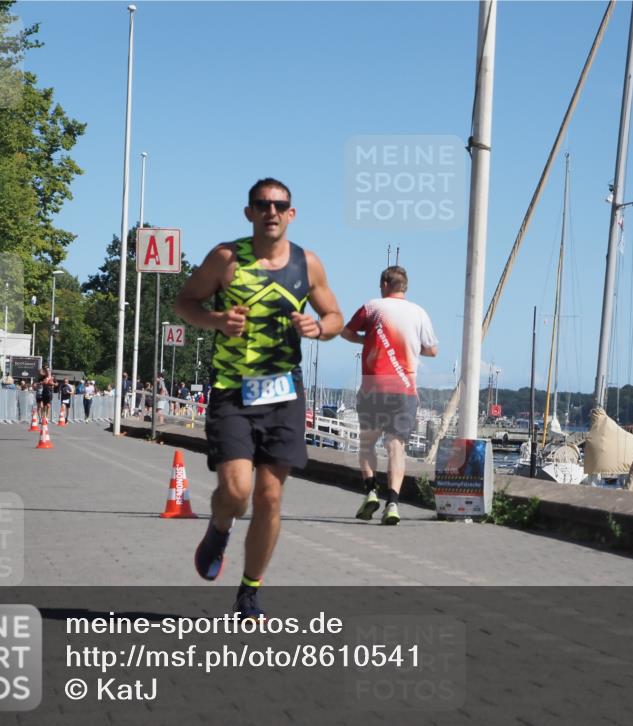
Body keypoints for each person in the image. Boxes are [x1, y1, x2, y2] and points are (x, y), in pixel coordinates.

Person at [174, 177, 343, 618]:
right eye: (262, 205)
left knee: (269, 496)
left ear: (291, 213)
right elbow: (184, 303)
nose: (271, 212)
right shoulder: (226, 259)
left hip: (284, 393)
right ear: (248, 212)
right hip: (232, 391)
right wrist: (215, 320)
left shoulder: (308, 265)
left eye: (279, 205)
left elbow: (335, 316)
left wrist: (319, 328)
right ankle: (220, 524)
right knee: (237, 490)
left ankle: (249, 591)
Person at [341, 265, 437, 525]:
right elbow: (432, 350)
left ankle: (371, 490)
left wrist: (369, 341)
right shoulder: (419, 313)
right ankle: (393, 504)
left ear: (385, 284)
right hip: (404, 390)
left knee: (367, 443)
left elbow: (346, 332)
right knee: (396, 447)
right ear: (404, 286)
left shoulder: (372, 307)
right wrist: (411, 348)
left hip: (373, 388)